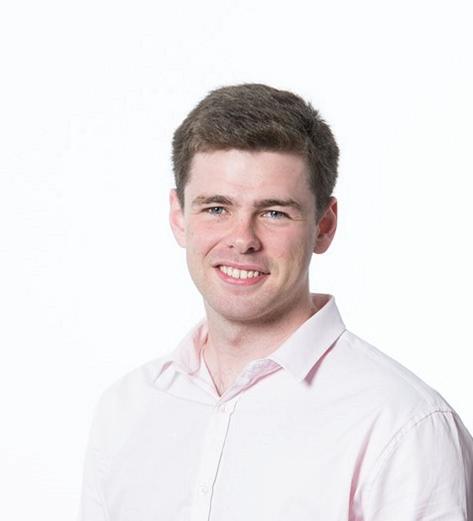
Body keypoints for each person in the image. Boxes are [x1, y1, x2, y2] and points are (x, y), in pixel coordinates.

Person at [78, 83, 473, 520]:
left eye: (274, 213)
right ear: (179, 217)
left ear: (324, 226)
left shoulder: (402, 425)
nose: (242, 239)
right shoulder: (126, 410)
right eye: (216, 208)